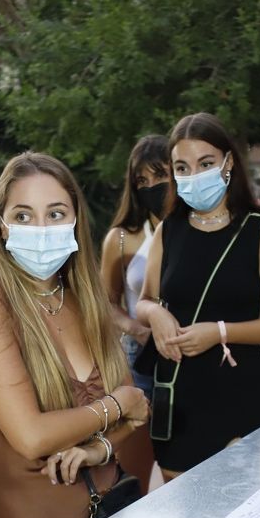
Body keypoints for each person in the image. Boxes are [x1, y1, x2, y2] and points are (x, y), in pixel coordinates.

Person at [0, 152, 150, 518]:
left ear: (75, 219)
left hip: (108, 506)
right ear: (1, 224)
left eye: (55, 213)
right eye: (23, 215)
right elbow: (31, 435)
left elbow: (134, 414)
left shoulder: (83, 295)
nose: (41, 229)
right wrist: (117, 405)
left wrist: (99, 447)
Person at [134, 113, 260, 481]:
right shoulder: (169, 230)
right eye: (182, 166)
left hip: (238, 391)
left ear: (228, 163)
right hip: (178, 395)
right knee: (185, 517)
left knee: (244, 508)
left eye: (205, 163)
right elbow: (144, 300)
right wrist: (156, 315)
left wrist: (220, 332)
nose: (194, 175)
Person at [99, 135, 169, 493]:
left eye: (160, 176)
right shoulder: (122, 239)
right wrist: (137, 329)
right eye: (142, 181)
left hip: (193, 360)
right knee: (133, 478)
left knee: (186, 473)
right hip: (139, 362)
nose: (152, 187)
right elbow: (105, 303)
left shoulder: (198, 231)